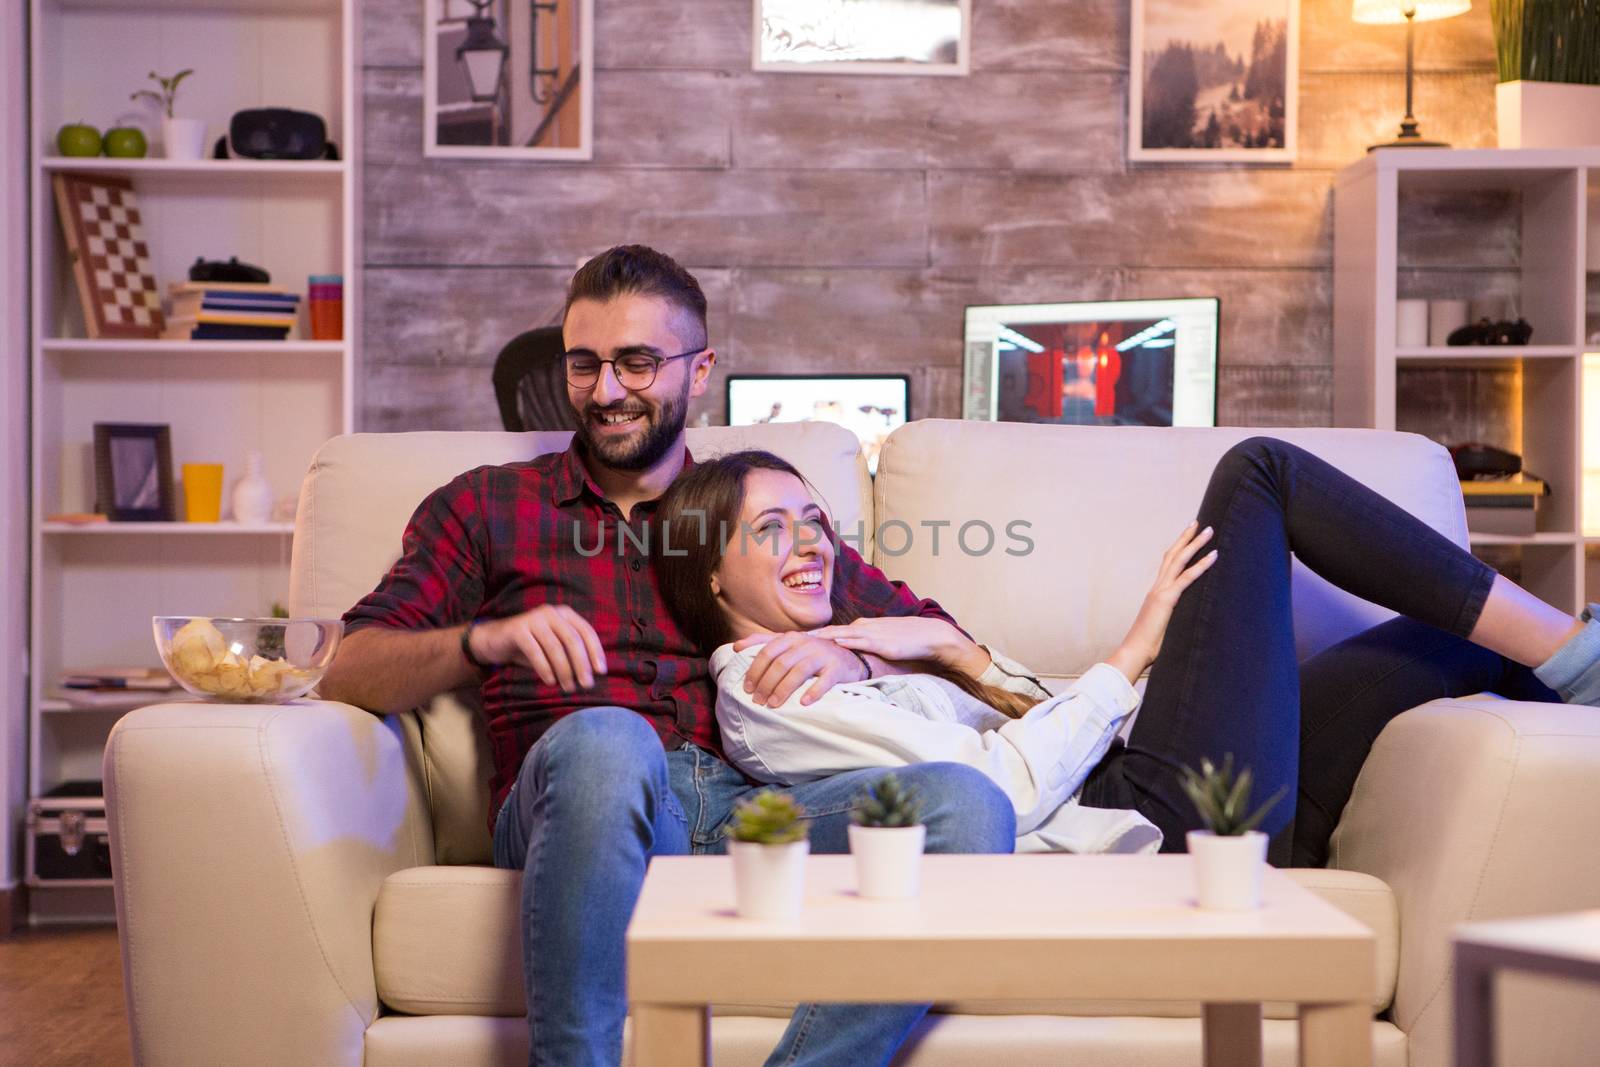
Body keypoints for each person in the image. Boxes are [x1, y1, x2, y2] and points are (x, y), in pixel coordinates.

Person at [317, 245, 1017, 1067]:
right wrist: (481, 641)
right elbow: (344, 665)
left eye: (638, 363)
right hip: (577, 802)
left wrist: (859, 661)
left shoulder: (749, 509)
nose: (606, 391)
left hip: (748, 810)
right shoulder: (487, 505)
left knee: (970, 808)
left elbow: (957, 653)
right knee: (609, 739)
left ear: (700, 369)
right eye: (585, 365)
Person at [655, 446, 1600, 866]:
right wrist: (1139, 642)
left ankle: (1573, 663)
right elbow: (996, 797)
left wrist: (950, 649)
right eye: (770, 529)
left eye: (815, 520)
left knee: (1463, 640)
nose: (811, 542)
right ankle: (1584, 648)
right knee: (1256, 476)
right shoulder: (771, 683)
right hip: (1152, 812)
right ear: (710, 575)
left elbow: (1036, 714)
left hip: (1185, 789)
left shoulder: (844, 650)